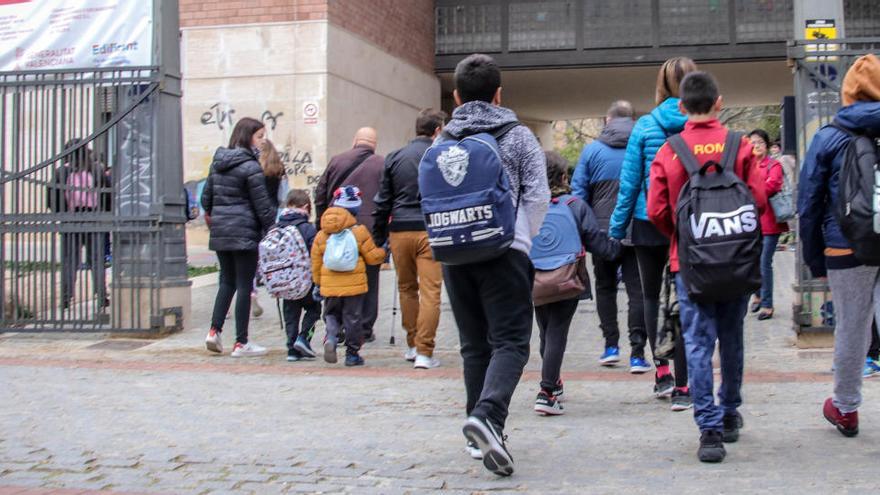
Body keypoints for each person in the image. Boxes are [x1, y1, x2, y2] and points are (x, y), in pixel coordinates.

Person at [648, 71, 767, 463]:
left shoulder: (670, 150)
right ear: (719, 103)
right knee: (732, 337)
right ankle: (730, 410)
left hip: (691, 265)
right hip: (735, 262)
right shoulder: (741, 146)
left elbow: (657, 210)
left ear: (681, 107)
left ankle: (709, 430)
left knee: (698, 343)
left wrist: (682, 237)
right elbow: (760, 201)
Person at [439, 54, 549, 476]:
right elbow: (538, 196)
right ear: (499, 94)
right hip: (504, 251)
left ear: (456, 96)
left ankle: (478, 429)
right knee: (512, 342)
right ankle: (486, 416)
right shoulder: (518, 136)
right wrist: (524, 238)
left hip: (454, 249)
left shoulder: (444, 138)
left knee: (473, 344)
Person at [798, 53, 880, 438]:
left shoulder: (829, 136)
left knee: (852, 326)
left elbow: (809, 203)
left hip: (845, 245)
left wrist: (814, 256)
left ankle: (845, 408)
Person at [608, 57, 697, 407]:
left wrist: (615, 232)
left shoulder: (644, 127)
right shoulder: (701, 124)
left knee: (648, 296)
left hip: (648, 221)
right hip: (691, 224)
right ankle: (685, 385)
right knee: (687, 300)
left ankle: (661, 372)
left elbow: (628, 185)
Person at [533, 151, 621, 416]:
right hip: (567, 278)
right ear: (563, 176)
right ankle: (546, 391)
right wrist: (617, 251)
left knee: (546, 331)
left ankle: (554, 383)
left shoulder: (528, 205)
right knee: (557, 332)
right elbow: (595, 240)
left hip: (534, 278)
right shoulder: (575, 204)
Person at [571, 100, 648, 372]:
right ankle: (638, 353)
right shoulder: (642, 147)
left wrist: (584, 230)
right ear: (633, 120)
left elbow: (578, 195)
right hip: (637, 230)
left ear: (607, 119)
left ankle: (610, 347)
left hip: (601, 234)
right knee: (638, 291)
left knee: (605, 289)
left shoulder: (591, 152)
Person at [372, 109, 447, 369]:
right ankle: (425, 352)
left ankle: (413, 345)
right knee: (431, 291)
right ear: (437, 130)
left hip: (399, 230)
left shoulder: (394, 156)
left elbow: (382, 200)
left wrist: (379, 236)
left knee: (406, 288)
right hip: (430, 229)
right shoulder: (440, 155)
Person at [202, 117, 277, 358]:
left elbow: (206, 200)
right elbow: (262, 205)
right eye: (259, 136)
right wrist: (271, 229)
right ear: (247, 137)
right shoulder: (251, 166)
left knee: (226, 281)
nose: (262, 141)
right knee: (245, 284)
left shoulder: (218, 164)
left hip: (222, 231)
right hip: (245, 232)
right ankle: (241, 342)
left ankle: (214, 331)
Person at [315, 128, 384, 343]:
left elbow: (319, 194)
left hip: (335, 230)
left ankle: (335, 326)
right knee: (368, 281)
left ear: (355, 140)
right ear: (374, 144)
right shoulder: (381, 163)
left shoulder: (336, 161)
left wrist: (322, 224)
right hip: (369, 232)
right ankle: (363, 329)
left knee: (335, 274)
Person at [311, 186, 386, 366]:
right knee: (353, 318)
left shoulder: (322, 234)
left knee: (331, 314)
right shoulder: (359, 232)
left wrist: (318, 283)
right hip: (354, 286)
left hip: (330, 286)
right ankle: (352, 354)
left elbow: (315, 261)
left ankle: (331, 336)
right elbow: (372, 257)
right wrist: (384, 250)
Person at [49, 139, 109, 311]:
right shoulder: (97, 169)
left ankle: (67, 298)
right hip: (93, 217)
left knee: (70, 260)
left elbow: (52, 195)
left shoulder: (62, 172)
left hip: (71, 217)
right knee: (96, 259)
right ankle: (101, 296)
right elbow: (107, 193)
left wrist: (58, 212)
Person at [747, 129, 789, 321]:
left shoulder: (774, 165)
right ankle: (757, 294)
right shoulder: (746, 165)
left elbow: (772, 186)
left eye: (760, 142)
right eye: (753, 142)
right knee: (752, 261)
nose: (756, 146)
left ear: (766, 144)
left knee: (765, 262)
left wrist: (752, 191)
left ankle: (767, 304)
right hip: (750, 222)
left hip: (769, 222)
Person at [276, 189, 321, 362]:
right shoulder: (308, 228)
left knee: (290, 313)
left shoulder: (278, 227)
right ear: (306, 207)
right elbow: (316, 253)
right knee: (313, 309)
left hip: (285, 281)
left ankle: (291, 348)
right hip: (306, 280)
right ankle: (303, 339)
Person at [249, 139, 288, 319]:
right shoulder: (278, 170)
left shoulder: (250, 169)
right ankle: (274, 285)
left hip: (251, 216)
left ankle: (252, 291)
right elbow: (283, 197)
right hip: (270, 216)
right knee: (267, 256)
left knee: (248, 258)